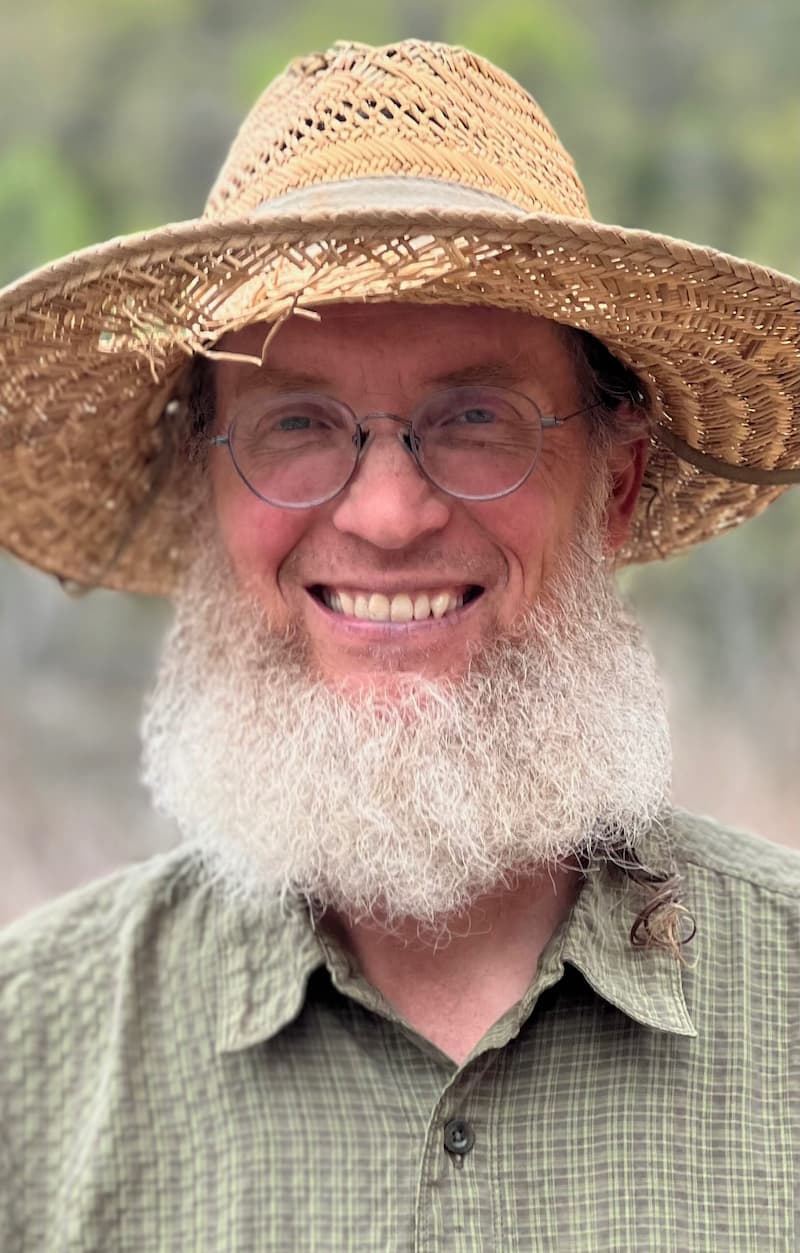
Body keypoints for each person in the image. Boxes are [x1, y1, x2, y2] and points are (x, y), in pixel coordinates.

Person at [0, 37, 798, 1252]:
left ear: (616, 481)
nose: (385, 513)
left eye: (474, 419)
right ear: (203, 496)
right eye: (296, 424)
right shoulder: (30, 1062)